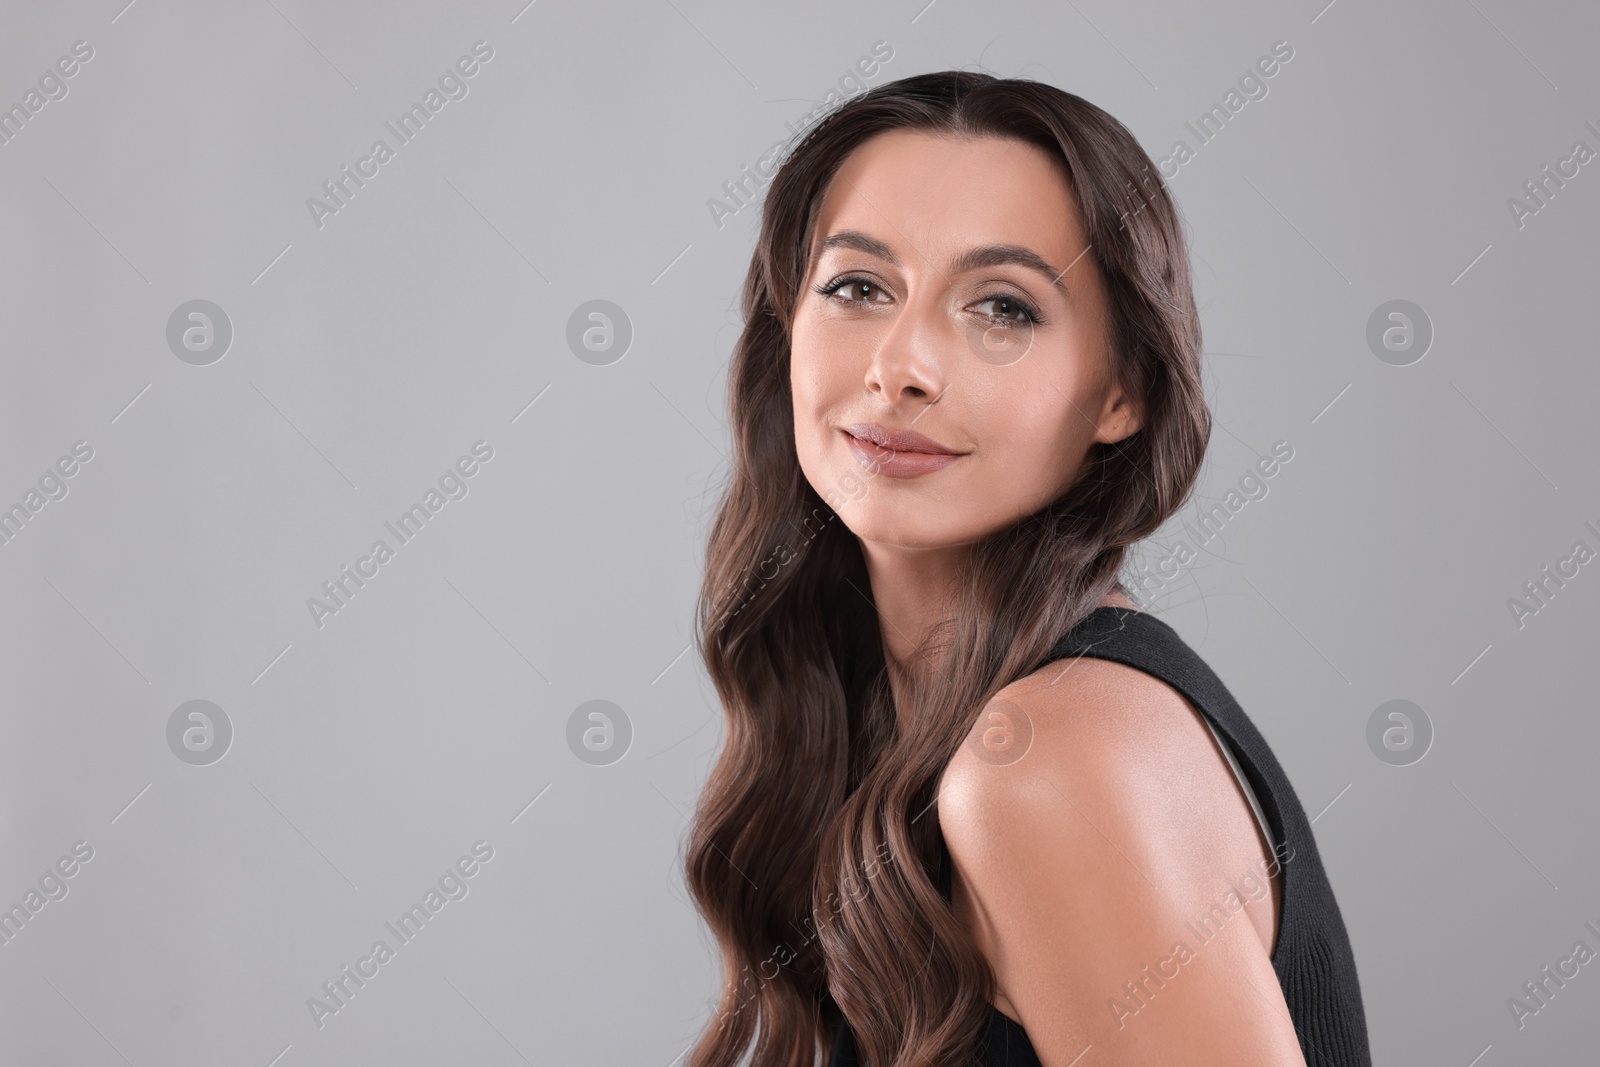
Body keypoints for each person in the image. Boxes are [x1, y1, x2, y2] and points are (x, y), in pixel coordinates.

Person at [684, 70, 1371, 1067]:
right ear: (787, 327)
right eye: (858, 287)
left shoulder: (1047, 760)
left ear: (1120, 394)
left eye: (1001, 307)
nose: (900, 365)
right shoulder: (919, 710)